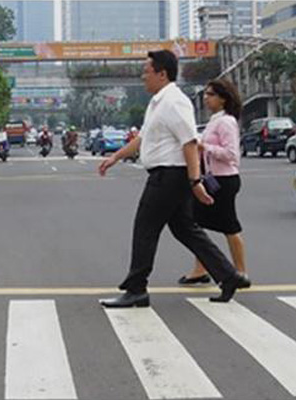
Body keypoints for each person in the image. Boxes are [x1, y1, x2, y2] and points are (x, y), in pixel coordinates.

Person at [98, 50, 248, 308]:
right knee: (185, 229)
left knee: (145, 228)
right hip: (167, 175)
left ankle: (136, 289)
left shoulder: (174, 102)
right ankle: (228, 275)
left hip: (169, 175)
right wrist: (115, 157)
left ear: (162, 73)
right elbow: (142, 138)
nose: (143, 76)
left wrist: (195, 181)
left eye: (146, 71)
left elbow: (189, 143)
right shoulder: (158, 102)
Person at [178, 79, 251, 289]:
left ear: (223, 98)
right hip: (212, 179)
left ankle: (240, 272)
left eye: (210, 94)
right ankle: (201, 270)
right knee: (196, 223)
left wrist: (204, 147)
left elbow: (231, 155)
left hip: (224, 180)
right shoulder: (214, 120)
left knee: (229, 226)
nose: (205, 98)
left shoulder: (226, 122)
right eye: (205, 94)